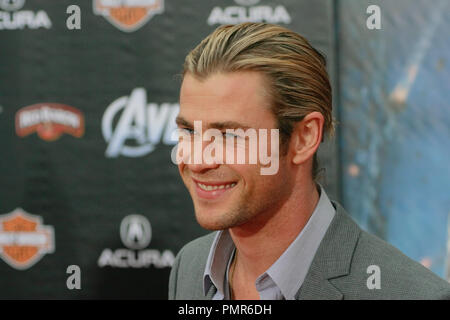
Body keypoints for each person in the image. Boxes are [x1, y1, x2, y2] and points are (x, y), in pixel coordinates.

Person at [168, 22, 450, 300]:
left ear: (303, 138)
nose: (196, 161)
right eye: (189, 131)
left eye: (229, 135)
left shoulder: (407, 294)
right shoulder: (190, 267)